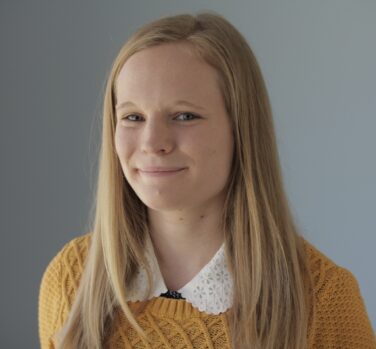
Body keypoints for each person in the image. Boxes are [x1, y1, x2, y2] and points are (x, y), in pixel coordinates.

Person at [38, 12, 376, 349]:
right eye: (133, 117)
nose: (153, 141)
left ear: (241, 129)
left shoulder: (324, 299)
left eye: (184, 116)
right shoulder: (70, 278)